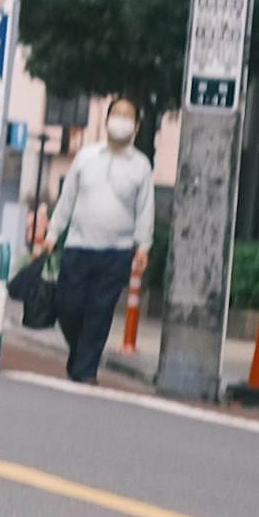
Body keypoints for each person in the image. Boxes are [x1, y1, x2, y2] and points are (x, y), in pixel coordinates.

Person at [44, 98, 155, 385]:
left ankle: (85, 371)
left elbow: (145, 209)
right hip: (78, 246)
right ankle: (80, 354)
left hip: (116, 252)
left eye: (127, 116)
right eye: (116, 114)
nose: (121, 120)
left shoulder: (141, 166)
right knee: (69, 307)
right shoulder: (85, 157)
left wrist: (143, 246)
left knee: (99, 312)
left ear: (137, 126)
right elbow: (67, 199)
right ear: (106, 121)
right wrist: (52, 234)